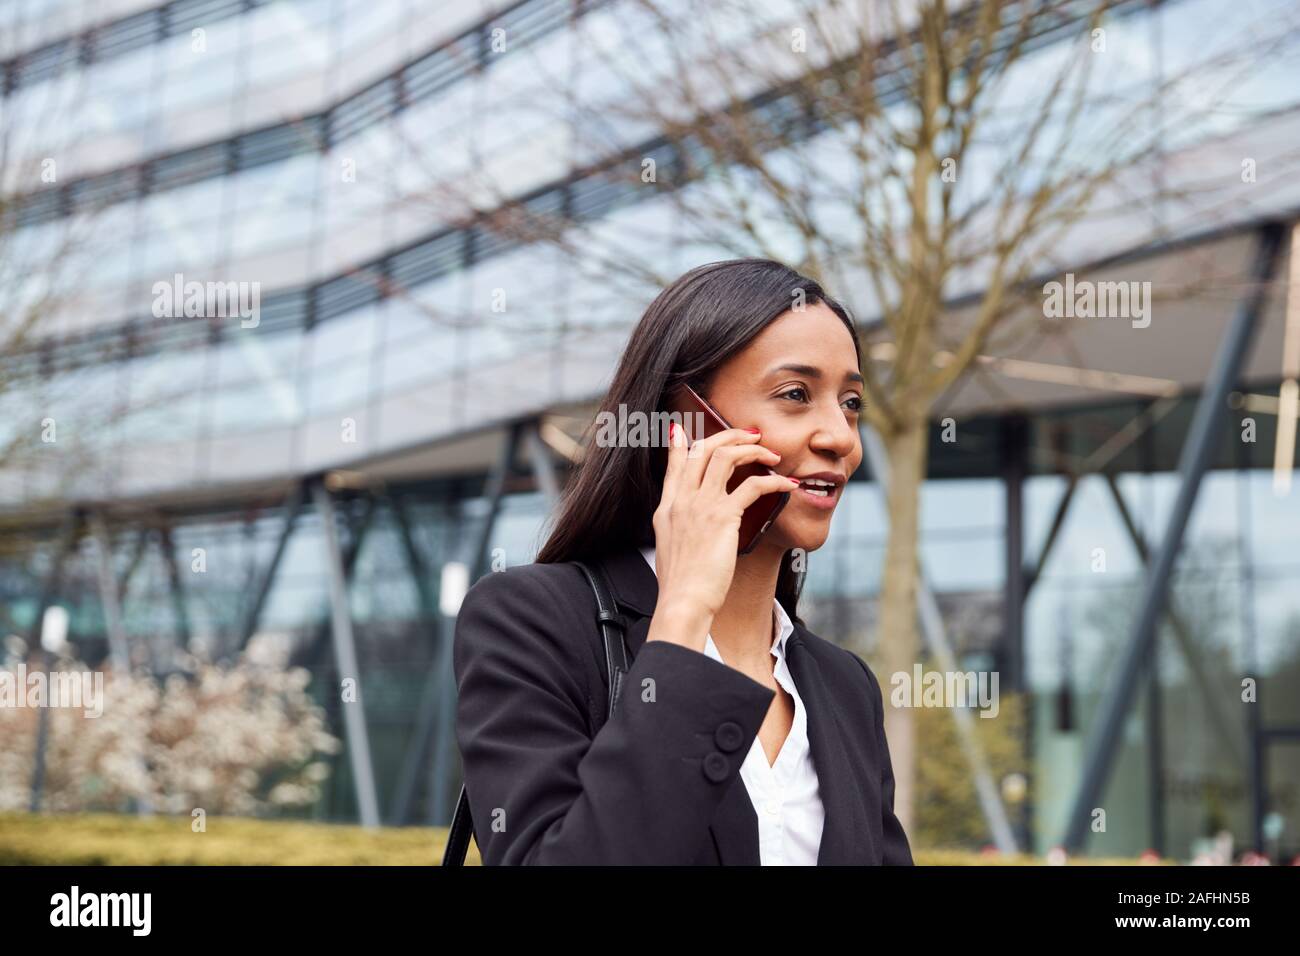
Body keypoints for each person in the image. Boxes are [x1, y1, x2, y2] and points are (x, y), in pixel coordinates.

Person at [453, 258, 913, 865]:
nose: (840, 437)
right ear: (685, 422)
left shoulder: (844, 685)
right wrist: (682, 619)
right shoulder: (532, 620)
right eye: (795, 394)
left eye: (850, 402)